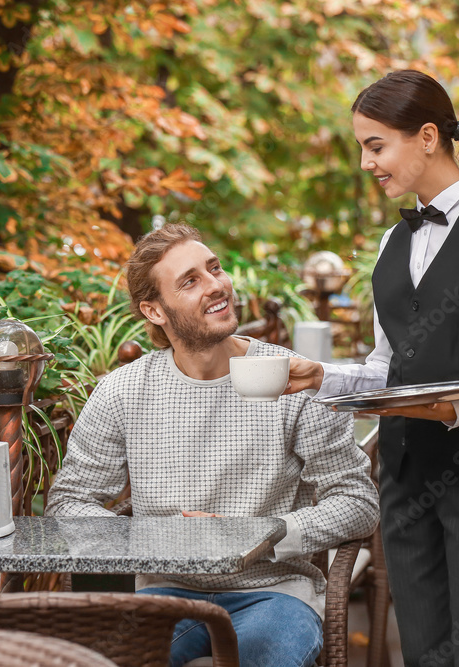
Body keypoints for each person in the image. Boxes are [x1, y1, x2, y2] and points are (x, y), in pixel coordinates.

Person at [286, 70, 459, 666]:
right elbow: (391, 367)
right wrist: (321, 377)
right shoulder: (393, 243)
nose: (366, 163)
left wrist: (457, 407)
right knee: (424, 651)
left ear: (428, 136)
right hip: (406, 473)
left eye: (375, 145)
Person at [46, 223, 379, 667]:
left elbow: (358, 503)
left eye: (215, 268)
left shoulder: (292, 379)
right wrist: (154, 538)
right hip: (166, 595)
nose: (217, 285)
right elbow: (68, 502)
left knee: (267, 658)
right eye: (191, 280)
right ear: (155, 311)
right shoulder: (122, 392)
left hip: (274, 593)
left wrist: (262, 535)